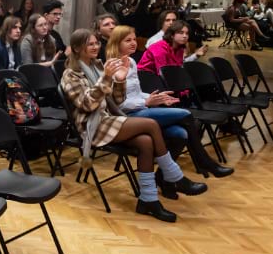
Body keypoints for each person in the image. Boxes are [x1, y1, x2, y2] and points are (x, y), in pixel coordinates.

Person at [61, 29, 207, 223]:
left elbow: (117, 100)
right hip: (92, 126)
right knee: (151, 124)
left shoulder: (97, 65)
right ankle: (174, 176)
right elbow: (88, 104)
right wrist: (106, 78)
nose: (96, 47)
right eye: (91, 44)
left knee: (146, 142)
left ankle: (148, 200)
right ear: (78, 48)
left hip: (108, 118)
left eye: (97, 43)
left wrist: (119, 79)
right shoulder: (70, 75)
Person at [106, 26, 232, 180]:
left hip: (140, 108)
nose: (133, 43)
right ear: (117, 43)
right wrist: (146, 102)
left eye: (134, 39)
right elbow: (117, 104)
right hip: (127, 117)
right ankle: (204, 162)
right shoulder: (112, 66)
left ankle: (164, 180)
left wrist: (157, 97)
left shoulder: (131, 61)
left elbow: (136, 93)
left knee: (181, 134)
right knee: (186, 114)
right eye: (128, 40)